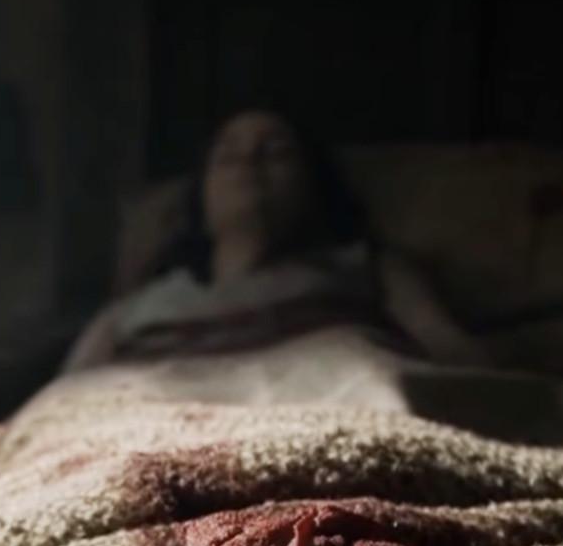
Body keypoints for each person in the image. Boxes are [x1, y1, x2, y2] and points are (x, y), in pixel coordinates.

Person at [64, 110, 390, 370]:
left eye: (276, 153)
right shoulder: (135, 310)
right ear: (202, 198)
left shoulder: (366, 269)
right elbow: (67, 398)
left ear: (313, 186)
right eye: (228, 157)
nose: (249, 163)